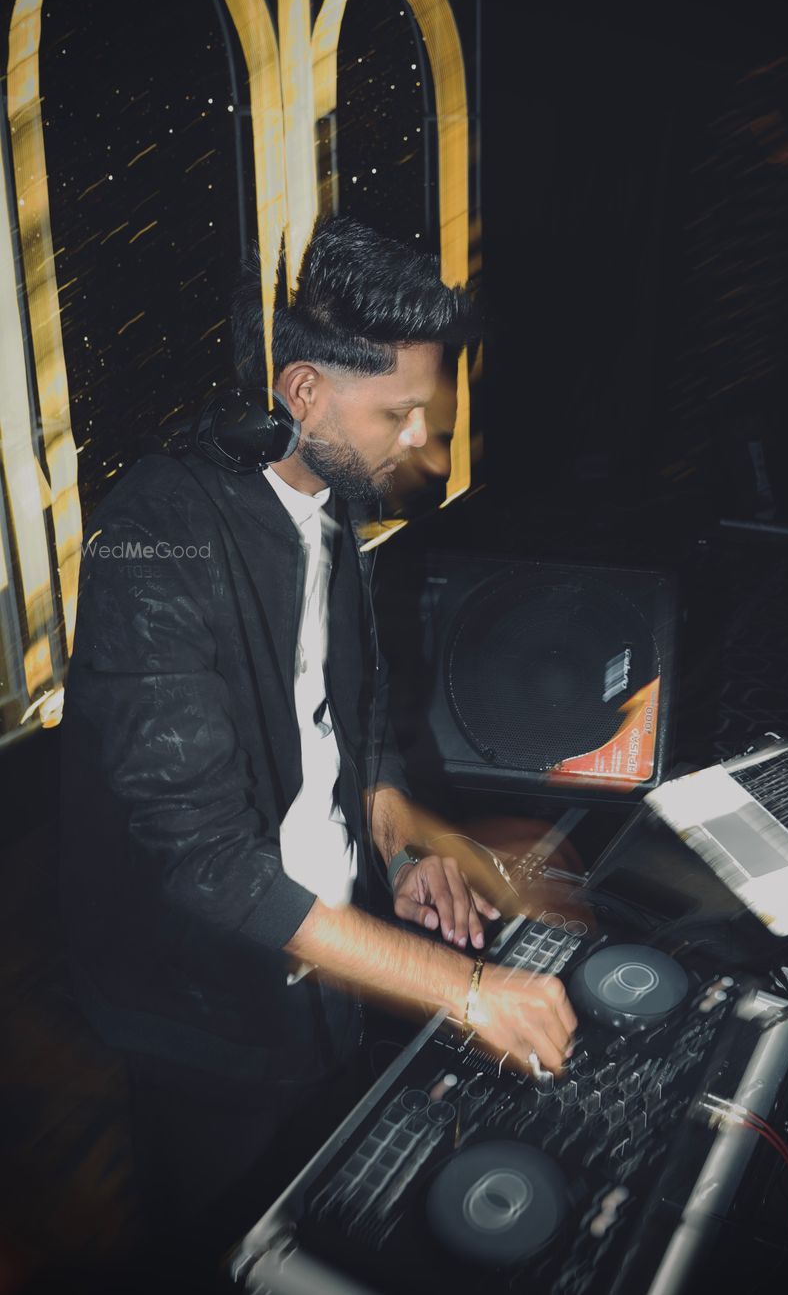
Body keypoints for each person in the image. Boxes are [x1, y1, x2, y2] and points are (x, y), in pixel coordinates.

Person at [59, 216, 575, 1287]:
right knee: (230, 1243)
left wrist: (402, 844)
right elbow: (201, 861)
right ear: (303, 391)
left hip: (333, 957)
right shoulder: (154, 532)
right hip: (204, 998)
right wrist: (467, 989)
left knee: (333, 1211)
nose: (422, 444)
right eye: (398, 415)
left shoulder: (333, 512)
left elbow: (358, 726)